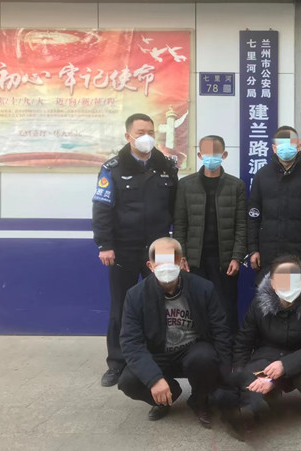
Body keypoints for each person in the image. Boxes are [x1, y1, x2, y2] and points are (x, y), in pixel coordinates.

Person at [92, 113, 178, 387]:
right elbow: (102, 208)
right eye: (141, 132)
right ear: (128, 136)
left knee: (162, 304)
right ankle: (117, 363)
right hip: (124, 248)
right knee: (121, 306)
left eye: (151, 131)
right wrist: (105, 245)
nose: (147, 137)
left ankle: (159, 360)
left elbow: (177, 209)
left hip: (159, 249)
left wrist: (177, 248)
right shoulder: (112, 168)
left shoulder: (166, 166)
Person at [117, 238, 232, 428]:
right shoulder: (135, 296)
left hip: (192, 352)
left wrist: (225, 374)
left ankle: (199, 400)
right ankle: (166, 397)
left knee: (205, 357)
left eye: (171, 260)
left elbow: (221, 331)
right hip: (158, 354)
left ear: (181, 262)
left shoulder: (204, 288)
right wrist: (154, 380)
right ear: (150, 265)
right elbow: (131, 343)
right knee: (128, 380)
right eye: (160, 261)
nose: (166, 266)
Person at [232, 255, 301, 424]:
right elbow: (244, 341)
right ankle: (269, 397)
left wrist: (285, 365)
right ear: (272, 283)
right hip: (266, 358)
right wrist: (240, 375)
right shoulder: (258, 303)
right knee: (251, 387)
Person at [173, 135, 247, 334]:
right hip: (195, 260)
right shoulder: (185, 185)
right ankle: (201, 347)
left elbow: (242, 225)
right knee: (196, 306)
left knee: (226, 307)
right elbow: (179, 224)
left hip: (225, 261)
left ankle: (228, 348)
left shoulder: (236, 186)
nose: (211, 157)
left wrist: (237, 257)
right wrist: (181, 256)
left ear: (224, 155)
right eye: (206, 153)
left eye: (216, 153)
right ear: (199, 155)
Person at [247, 126, 301, 282]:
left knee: (298, 291)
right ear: (274, 148)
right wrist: (253, 249)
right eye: (282, 144)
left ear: (298, 146)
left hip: (300, 250)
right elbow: (253, 216)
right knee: (269, 292)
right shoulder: (262, 175)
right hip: (268, 251)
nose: (286, 148)